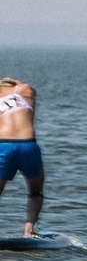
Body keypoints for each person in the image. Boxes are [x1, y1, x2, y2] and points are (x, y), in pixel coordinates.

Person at [0, 77, 42, 238]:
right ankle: (29, 230)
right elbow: (25, 86)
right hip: (28, 145)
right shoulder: (26, 91)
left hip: (4, 146)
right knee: (36, 192)